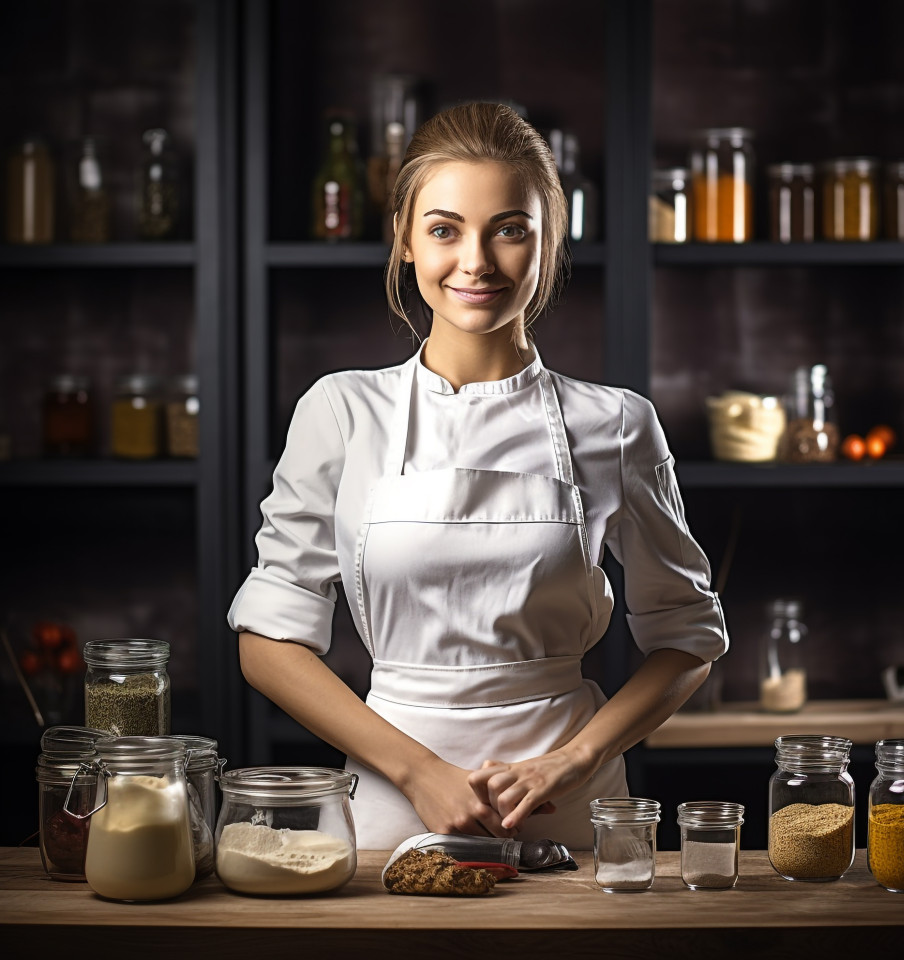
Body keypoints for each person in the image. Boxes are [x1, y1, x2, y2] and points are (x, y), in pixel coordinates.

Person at [228, 102, 728, 850]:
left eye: (510, 229)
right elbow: (268, 639)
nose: (477, 262)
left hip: (572, 813)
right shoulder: (341, 411)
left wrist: (575, 757)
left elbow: (690, 634)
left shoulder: (617, 425)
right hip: (392, 806)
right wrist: (420, 772)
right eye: (444, 229)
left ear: (549, 242)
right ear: (404, 239)